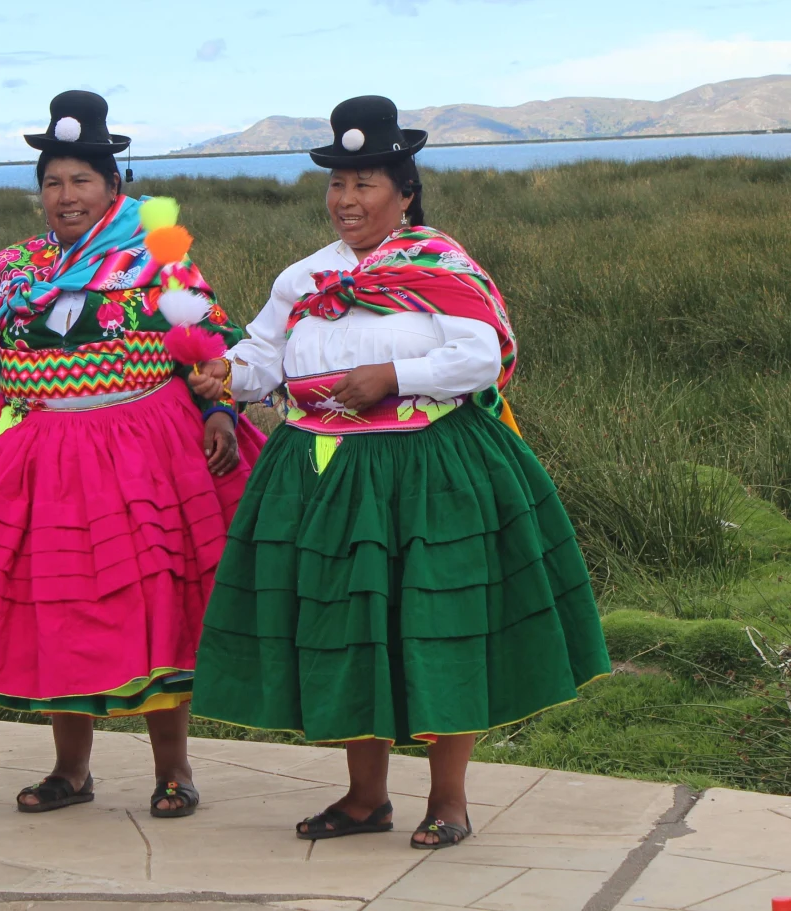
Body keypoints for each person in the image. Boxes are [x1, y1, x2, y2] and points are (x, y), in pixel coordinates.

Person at [188, 96, 610, 849]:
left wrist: (390, 371)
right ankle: (363, 798)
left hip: (424, 466)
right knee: (353, 627)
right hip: (323, 472)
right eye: (337, 184)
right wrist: (227, 373)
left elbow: (484, 354)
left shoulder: (441, 264)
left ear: (405, 191)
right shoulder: (304, 278)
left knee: (436, 623)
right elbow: (262, 356)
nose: (346, 200)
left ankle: (447, 799)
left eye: (365, 184)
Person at [0, 91, 263, 818]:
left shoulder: (155, 257)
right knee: (54, 607)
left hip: (140, 453)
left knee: (155, 606)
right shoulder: (15, 269)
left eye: (81, 179)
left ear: (113, 187)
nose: (66, 195)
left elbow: (212, 338)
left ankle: (173, 768)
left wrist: (216, 405)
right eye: (53, 182)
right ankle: (70, 769)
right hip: (36, 458)